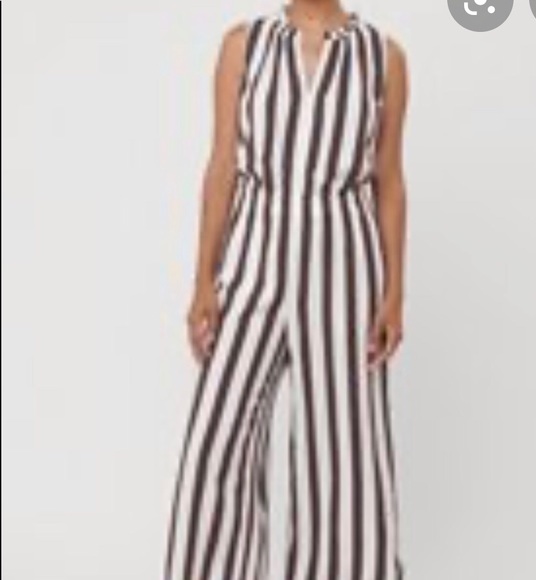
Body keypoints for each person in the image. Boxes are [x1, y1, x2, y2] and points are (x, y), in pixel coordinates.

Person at [165, 1, 408, 579]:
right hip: (252, 260)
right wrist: (203, 280)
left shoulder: (384, 57)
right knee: (214, 443)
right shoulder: (244, 45)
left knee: (344, 451)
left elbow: (389, 181)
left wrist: (395, 292)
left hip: (344, 269)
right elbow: (222, 166)